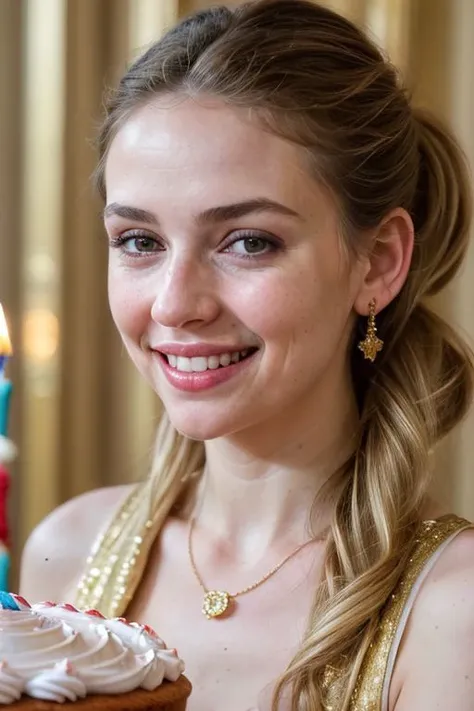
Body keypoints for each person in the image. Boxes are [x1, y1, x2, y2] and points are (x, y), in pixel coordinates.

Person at [20, 1, 474, 709]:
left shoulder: (453, 614)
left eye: (247, 241)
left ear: (378, 261)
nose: (175, 304)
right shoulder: (63, 555)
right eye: (140, 241)